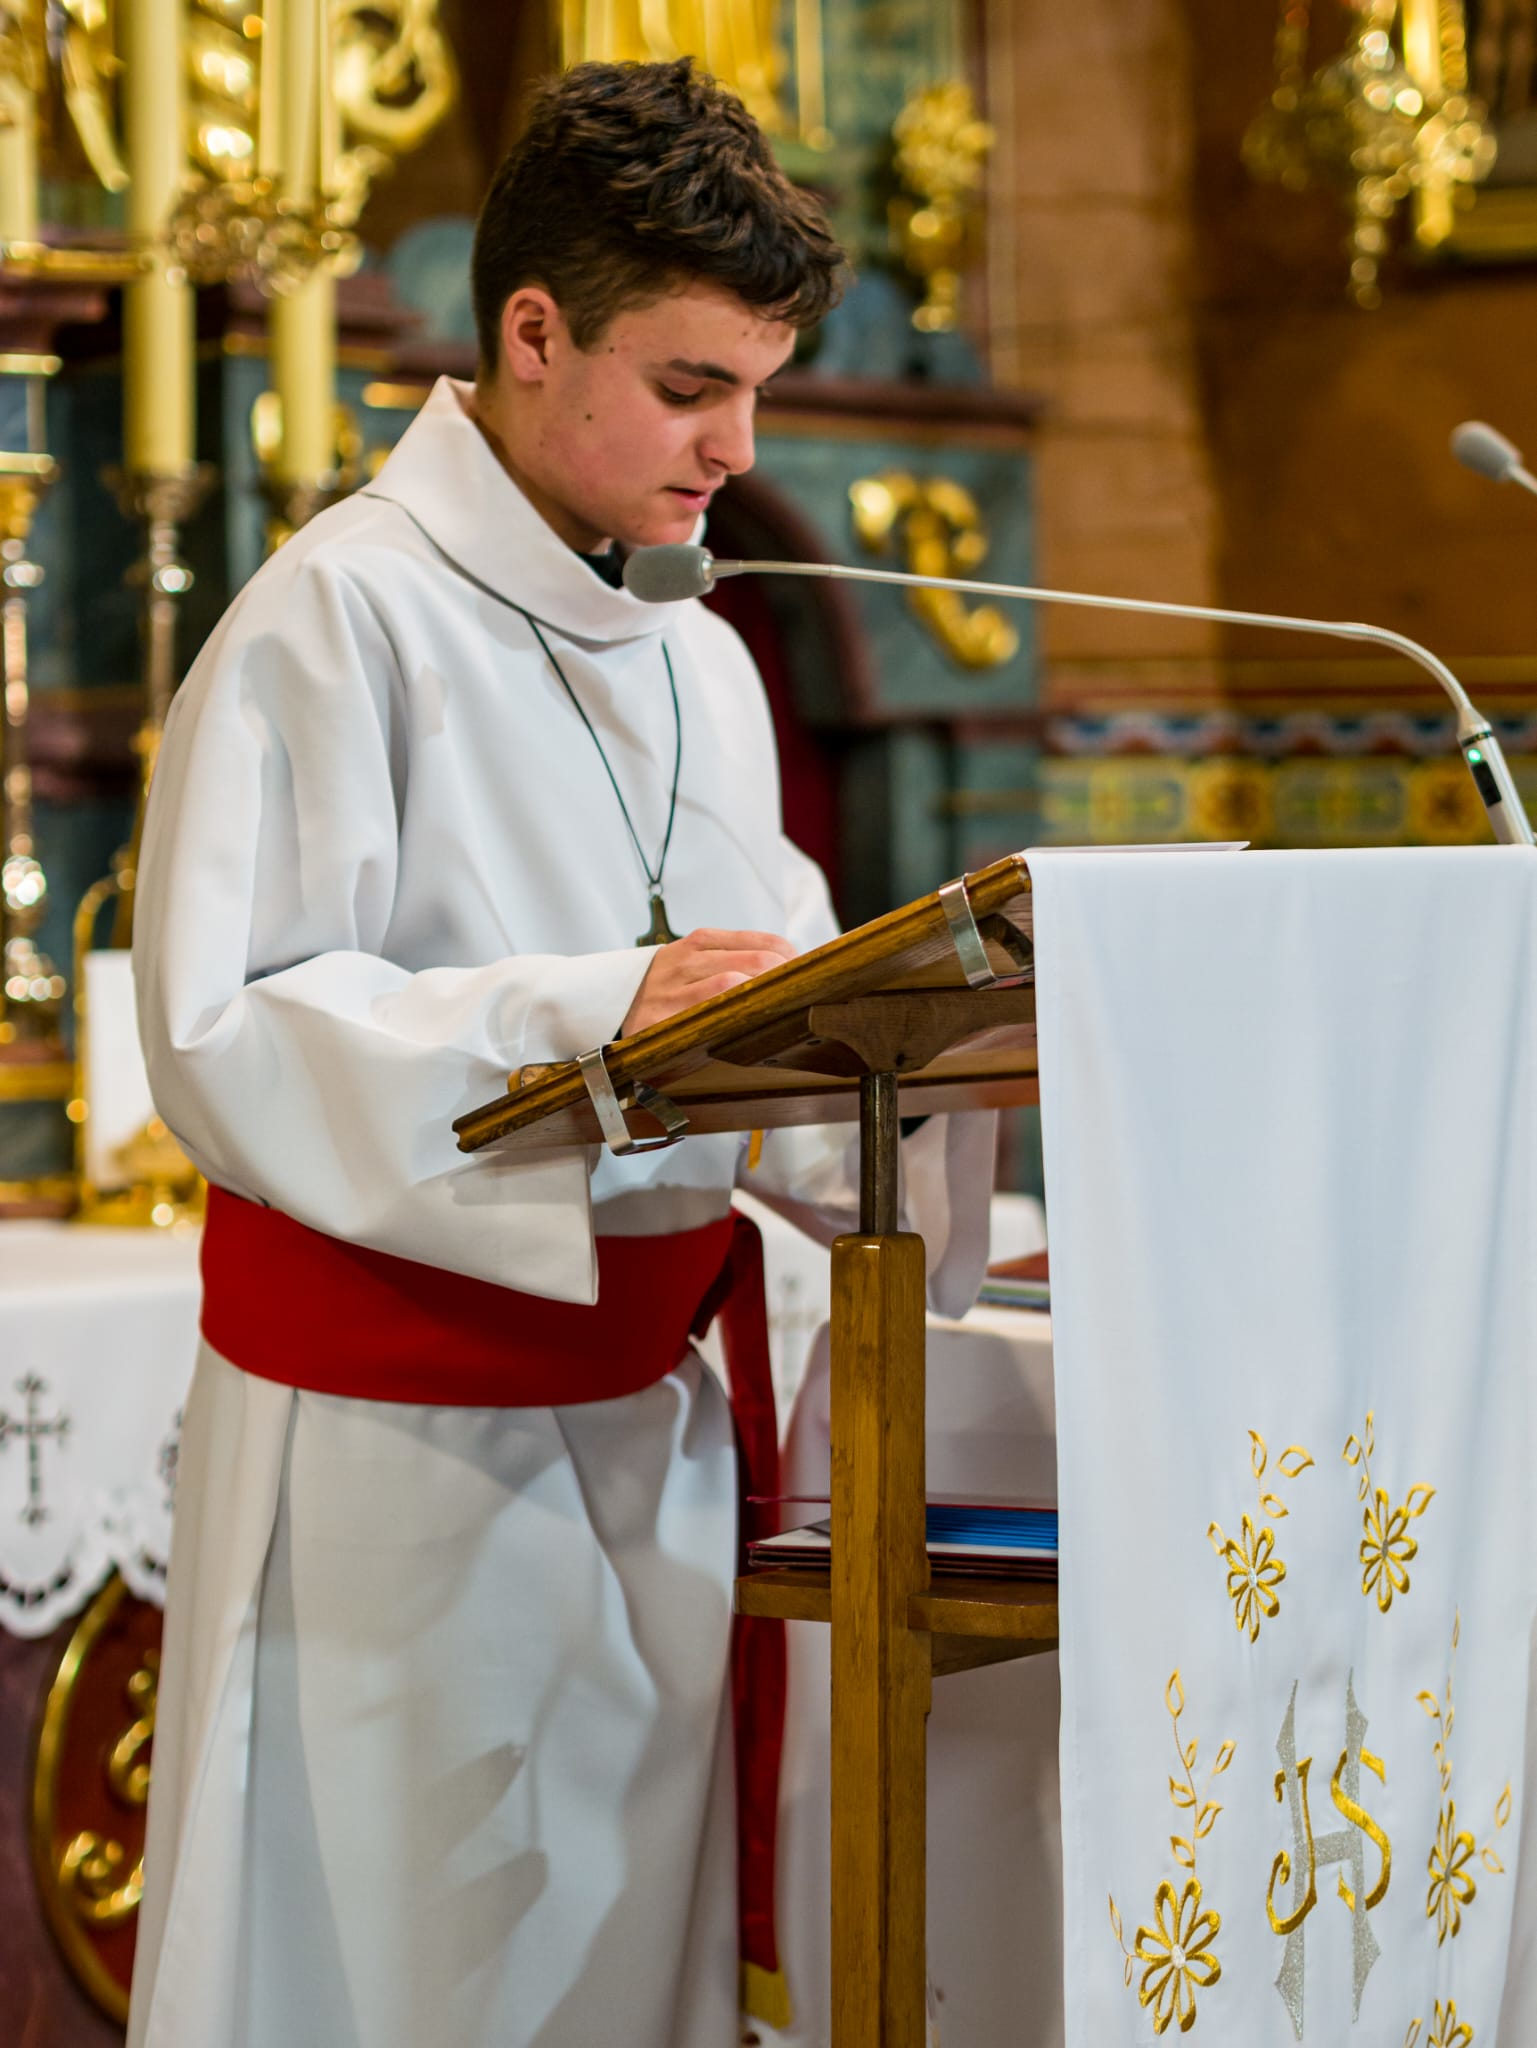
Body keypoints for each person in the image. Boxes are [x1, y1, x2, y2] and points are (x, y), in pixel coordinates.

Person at [127, 56, 995, 2048]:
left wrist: (929, 1069)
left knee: (620, 1973)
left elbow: (765, 1002)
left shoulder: (694, 645)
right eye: (693, 386)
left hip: (653, 1435)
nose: (734, 444)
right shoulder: (334, 619)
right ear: (533, 334)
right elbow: (226, 1024)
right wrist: (586, 1011)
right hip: (409, 1461)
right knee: (402, 1977)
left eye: (758, 387)